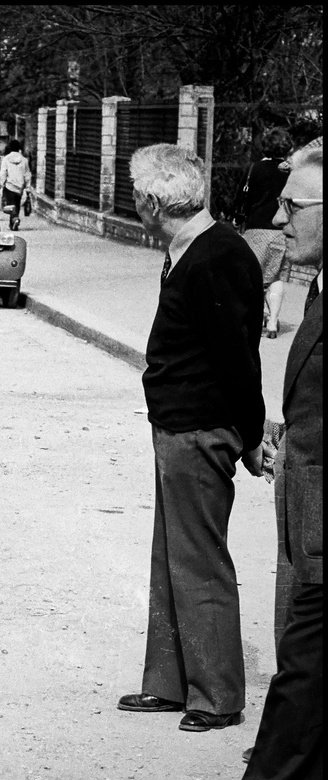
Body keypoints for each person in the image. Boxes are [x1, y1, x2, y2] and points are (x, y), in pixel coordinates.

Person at [182, 139, 322, 780]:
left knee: (302, 670)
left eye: (294, 205)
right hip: (309, 505)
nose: (279, 217)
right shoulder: (317, 285)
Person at [116, 143, 266, 732]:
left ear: (153, 203)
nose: (132, 202)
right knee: (171, 557)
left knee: (200, 560)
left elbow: (238, 359)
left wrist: (250, 436)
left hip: (201, 429)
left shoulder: (216, 256)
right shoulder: (189, 250)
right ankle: (171, 683)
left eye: (135, 194)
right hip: (179, 425)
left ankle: (217, 695)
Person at [234, 127, 293, 338]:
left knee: (253, 277)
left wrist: (236, 217)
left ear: (265, 146)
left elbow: (242, 197)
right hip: (282, 231)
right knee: (276, 277)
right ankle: (273, 323)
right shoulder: (290, 172)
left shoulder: (254, 169)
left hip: (256, 230)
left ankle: (256, 319)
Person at [0, 139, 33, 231]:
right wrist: (28, 186)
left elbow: (3, 173)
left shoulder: (6, 159)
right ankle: (14, 221)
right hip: (20, 187)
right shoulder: (24, 160)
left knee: (10, 204)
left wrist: (2, 183)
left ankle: (14, 219)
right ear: (19, 148)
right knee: (17, 204)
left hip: (9, 185)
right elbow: (27, 175)